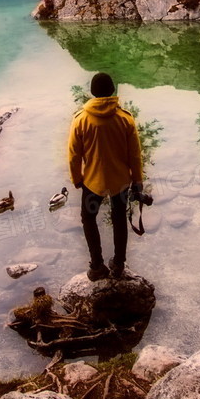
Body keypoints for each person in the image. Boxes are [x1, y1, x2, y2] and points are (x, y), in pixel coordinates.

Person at [68, 72, 144, 280]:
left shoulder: (80, 120)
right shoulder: (125, 119)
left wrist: (77, 179)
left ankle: (97, 265)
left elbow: (74, 155)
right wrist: (137, 181)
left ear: (92, 93)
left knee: (88, 218)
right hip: (120, 182)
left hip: (92, 183)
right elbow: (135, 155)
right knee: (119, 219)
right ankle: (119, 263)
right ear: (112, 91)